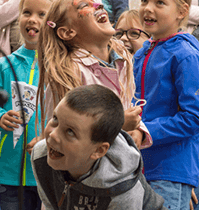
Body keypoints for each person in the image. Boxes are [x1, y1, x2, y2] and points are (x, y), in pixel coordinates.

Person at [134, 0, 199, 210]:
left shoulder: (186, 55)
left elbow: (197, 116)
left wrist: (146, 131)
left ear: (181, 12)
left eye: (160, 3)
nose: (148, 8)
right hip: (138, 168)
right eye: (144, 0)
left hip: (170, 170)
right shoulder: (142, 52)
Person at [32, 0, 152, 153]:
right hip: (83, 174)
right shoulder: (68, 73)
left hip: (117, 167)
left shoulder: (123, 60)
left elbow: (127, 106)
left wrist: (138, 130)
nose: (98, 6)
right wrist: (119, 124)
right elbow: (62, 134)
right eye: (84, 6)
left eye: (96, 3)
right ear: (68, 32)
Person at [30, 84, 166, 209]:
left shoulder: (121, 187)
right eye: (55, 119)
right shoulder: (41, 156)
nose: (53, 135)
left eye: (70, 131)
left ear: (98, 150)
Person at [0, 0, 63, 210]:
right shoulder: (4, 65)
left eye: (42, 14)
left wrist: (49, 136)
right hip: (11, 173)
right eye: (27, 12)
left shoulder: (63, 66)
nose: (32, 19)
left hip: (53, 171)